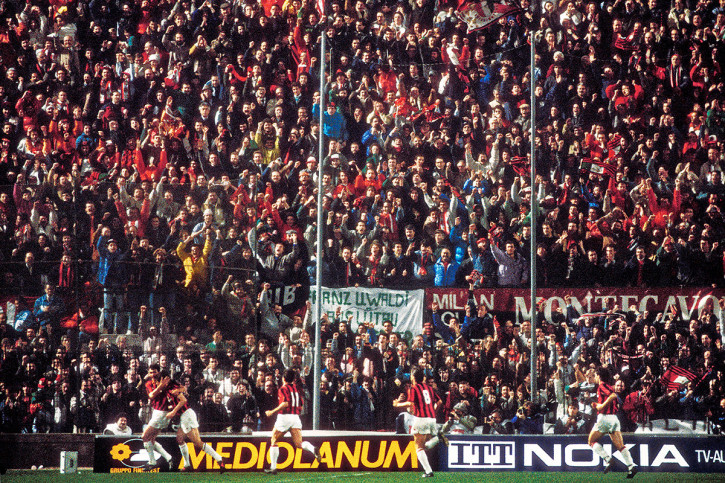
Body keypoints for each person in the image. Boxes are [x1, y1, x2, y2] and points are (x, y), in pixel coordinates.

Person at [264, 368, 320, 474]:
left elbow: (285, 404)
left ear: (284, 378)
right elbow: (302, 404)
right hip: (295, 417)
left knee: (274, 441)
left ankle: (273, 467)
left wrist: (272, 411)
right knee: (299, 444)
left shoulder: (283, 389)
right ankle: (313, 449)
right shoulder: (297, 388)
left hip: (284, 417)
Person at [392, 368, 445, 478]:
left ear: (413, 377)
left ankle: (428, 471)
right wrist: (433, 412)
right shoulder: (429, 388)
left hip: (421, 419)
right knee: (425, 445)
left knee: (418, 447)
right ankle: (436, 438)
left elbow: (411, 404)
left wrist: (397, 404)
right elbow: (439, 402)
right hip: (432, 419)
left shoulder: (414, 388)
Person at [165, 380, 228, 472]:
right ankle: (187, 465)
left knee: (197, 442)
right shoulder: (168, 390)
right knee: (180, 439)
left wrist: (173, 411)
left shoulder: (172, 389)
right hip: (184, 416)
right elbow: (182, 389)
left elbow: (183, 400)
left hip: (186, 415)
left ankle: (219, 459)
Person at [588, 368, 637, 478]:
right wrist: (597, 405)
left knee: (591, 441)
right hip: (614, 419)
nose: (595, 377)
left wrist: (601, 406)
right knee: (620, 446)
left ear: (599, 376)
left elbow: (613, 395)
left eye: (596, 375)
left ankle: (608, 459)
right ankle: (631, 466)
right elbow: (614, 400)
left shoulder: (603, 386)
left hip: (605, 418)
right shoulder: (607, 386)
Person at [141, 364, 174, 469]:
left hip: (162, 413)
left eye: (154, 372)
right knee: (151, 439)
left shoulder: (166, 382)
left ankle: (152, 462)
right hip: (156, 411)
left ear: (159, 372)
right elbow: (151, 395)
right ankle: (169, 458)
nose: (152, 374)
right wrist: (161, 386)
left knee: (145, 437)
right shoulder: (149, 383)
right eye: (150, 372)